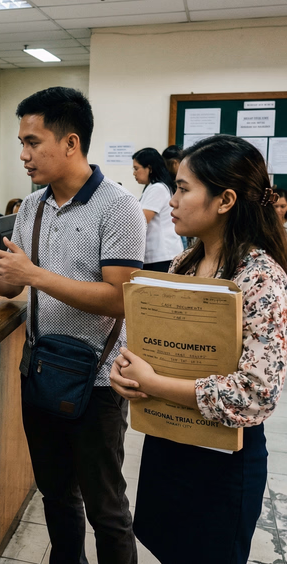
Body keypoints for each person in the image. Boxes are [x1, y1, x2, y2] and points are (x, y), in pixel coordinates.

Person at [0, 87, 145, 564]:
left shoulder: (117, 207)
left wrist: (33, 275)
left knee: (106, 508)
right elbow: (16, 287)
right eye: (21, 142)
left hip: (97, 381)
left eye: (33, 142)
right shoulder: (34, 207)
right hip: (41, 370)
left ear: (70, 143)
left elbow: (121, 298)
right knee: (57, 496)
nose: (23, 155)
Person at [110, 135, 287, 564]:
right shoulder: (183, 265)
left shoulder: (261, 278)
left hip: (223, 462)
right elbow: (152, 346)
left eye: (184, 188)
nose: (172, 200)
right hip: (171, 443)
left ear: (225, 200)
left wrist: (157, 382)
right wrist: (128, 370)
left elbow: (255, 395)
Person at [132, 147, 183, 272]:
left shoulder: (158, 188)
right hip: (156, 255)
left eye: (136, 168)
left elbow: (141, 220)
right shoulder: (151, 187)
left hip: (162, 255)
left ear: (149, 168)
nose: (134, 173)